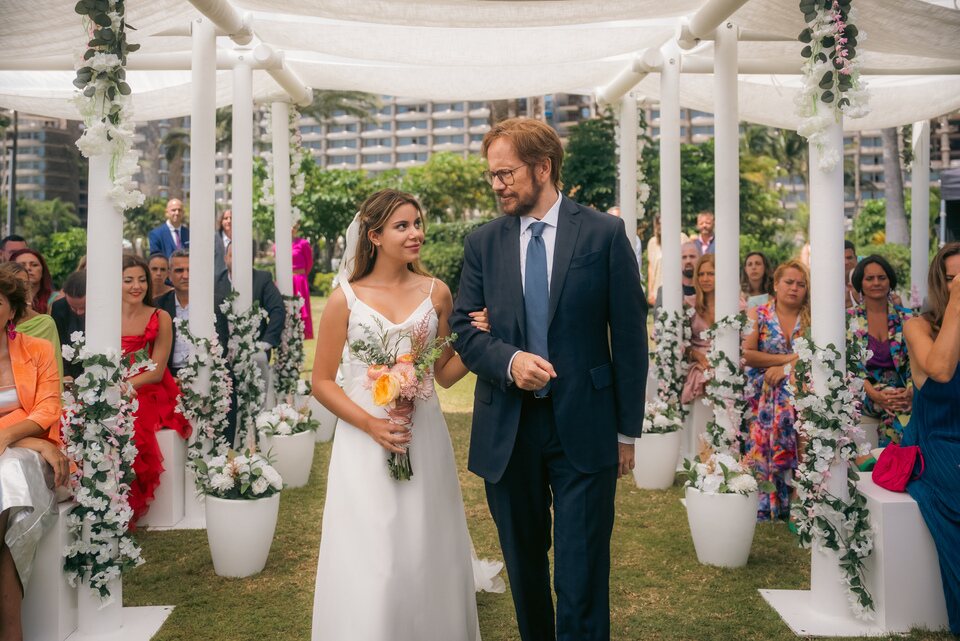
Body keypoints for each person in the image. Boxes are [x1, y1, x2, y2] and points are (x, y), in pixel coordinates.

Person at [450, 117, 648, 641]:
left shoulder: (604, 233)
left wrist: (626, 431)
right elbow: (463, 330)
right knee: (524, 567)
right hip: (507, 430)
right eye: (492, 175)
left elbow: (630, 338)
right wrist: (510, 360)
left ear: (543, 167)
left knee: (582, 571)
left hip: (586, 423)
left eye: (506, 173)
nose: (497, 184)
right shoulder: (482, 243)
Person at [310, 189, 499, 641]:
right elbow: (322, 381)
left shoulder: (437, 293)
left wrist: (479, 341)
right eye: (402, 226)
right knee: (372, 539)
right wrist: (371, 424)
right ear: (374, 236)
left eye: (417, 224)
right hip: (364, 436)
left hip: (423, 432)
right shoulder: (344, 300)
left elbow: (446, 374)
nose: (415, 233)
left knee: (423, 533)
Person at [0, 268, 69, 640]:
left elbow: (47, 408)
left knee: (8, 474)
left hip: (27, 460)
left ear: (12, 310)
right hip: (29, 445)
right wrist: (31, 440)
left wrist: (12, 436)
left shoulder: (37, 349)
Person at [901, 242, 960, 633]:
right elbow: (940, 369)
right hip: (936, 440)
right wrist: (957, 304)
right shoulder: (918, 327)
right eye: (954, 278)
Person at [119, 254, 191, 526]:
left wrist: (126, 386)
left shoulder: (160, 317)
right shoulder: (104, 316)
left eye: (141, 280)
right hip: (115, 385)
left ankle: (127, 506)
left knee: (135, 428)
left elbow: (158, 370)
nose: (136, 286)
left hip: (149, 388)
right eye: (128, 280)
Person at [742, 259, 810, 521]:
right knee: (784, 399)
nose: (794, 288)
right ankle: (780, 493)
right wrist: (787, 361)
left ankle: (797, 490)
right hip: (763, 383)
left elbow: (816, 353)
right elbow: (748, 354)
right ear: (775, 284)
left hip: (798, 384)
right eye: (789, 282)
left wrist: (788, 369)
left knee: (790, 398)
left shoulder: (812, 316)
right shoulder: (758, 313)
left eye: (800, 284)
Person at [214, 242, 286, 447]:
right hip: (223, 351)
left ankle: (256, 435)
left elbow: (277, 310)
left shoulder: (262, 279)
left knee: (257, 367)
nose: (237, 261)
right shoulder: (216, 282)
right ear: (225, 258)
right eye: (232, 256)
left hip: (255, 350)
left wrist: (265, 343)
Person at [847, 255, 913, 446]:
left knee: (897, 404)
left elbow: (914, 360)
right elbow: (850, 366)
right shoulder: (848, 320)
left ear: (890, 281)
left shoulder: (906, 318)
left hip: (901, 392)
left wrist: (910, 390)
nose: (876, 283)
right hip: (863, 391)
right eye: (870, 278)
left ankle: (887, 457)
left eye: (882, 278)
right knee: (896, 407)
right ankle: (893, 458)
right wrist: (874, 393)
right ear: (860, 283)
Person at [0, 263, 63, 380]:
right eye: (16, 282)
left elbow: (53, 371)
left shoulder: (44, 324)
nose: (22, 287)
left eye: (25, 283)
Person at [682, 254, 716, 403]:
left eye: (711, 274)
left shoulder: (737, 305)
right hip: (698, 361)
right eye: (701, 274)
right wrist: (698, 356)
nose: (705, 279)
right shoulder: (689, 304)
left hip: (726, 360)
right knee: (702, 375)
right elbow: (682, 343)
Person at [154, 249, 190, 378]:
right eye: (179, 270)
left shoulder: (214, 304)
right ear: (169, 275)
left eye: (190, 270)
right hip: (168, 375)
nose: (185, 276)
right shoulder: (157, 305)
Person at [50, 271, 85, 381]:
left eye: (83, 307)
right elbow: (59, 342)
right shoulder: (59, 307)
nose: (79, 312)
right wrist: (65, 373)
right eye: (73, 308)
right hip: (71, 371)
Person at [9, 249, 53, 315]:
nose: (28, 268)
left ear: (43, 271)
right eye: (21, 266)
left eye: (34, 265)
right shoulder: (4, 300)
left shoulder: (56, 300)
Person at [291, 224, 315, 339]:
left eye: (294, 226)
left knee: (301, 307)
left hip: (299, 280)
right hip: (285, 280)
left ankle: (302, 333)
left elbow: (309, 263)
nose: (291, 229)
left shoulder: (303, 243)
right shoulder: (277, 245)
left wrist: (300, 276)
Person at [214, 209, 232, 279]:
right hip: (217, 280)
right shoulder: (214, 239)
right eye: (226, 218)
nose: (229, 221)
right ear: (221, 221)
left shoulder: (240, 240)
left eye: (231, 218)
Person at [844, 240, 860, 309]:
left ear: (856, 259)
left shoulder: (867, 280)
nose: (846, 262)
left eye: (849, 258)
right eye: (840, 258)